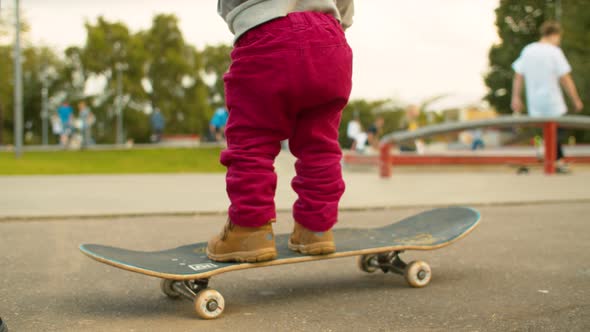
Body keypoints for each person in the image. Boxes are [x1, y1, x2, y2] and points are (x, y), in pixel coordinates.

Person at [208, 0, 354, 263]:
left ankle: (250, 229)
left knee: (252, 140)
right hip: (330, 37)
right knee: (320, 143)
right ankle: (316, 229)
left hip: (265, 31)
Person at [511, 21, 584, 173]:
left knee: (545, 130)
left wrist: (516, 97)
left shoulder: (528, 50)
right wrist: (575, 99)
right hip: (552, 100)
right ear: (555, 35)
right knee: (559, 129)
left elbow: (518, 75)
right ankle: (556, 160)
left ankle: (552, 157)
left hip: (535, 102)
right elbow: (565, 78)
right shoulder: (554, 51)